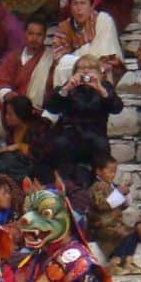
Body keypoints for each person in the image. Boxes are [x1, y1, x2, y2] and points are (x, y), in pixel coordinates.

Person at [46, 55, 123, 188]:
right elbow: (52, 108)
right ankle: (65, 185)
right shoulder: (69, 86)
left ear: (99, 72)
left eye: (91, 68)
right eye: (82, 68)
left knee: (100, 145)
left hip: (96, 132)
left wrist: (101, 90)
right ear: (75, 71)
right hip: (71, 131)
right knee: (60, 143)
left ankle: (101, 186)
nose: (86, 72)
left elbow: (117, 108)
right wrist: (66, 90)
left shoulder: (104, 86)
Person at [0, 15, 53, 124]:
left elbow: (51, 90)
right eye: (31, 34)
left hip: (38, 113)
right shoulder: (13, 56)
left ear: (44, 36)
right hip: (13, 108)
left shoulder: (50, 59)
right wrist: (11, 97)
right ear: (24, 34)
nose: (34, 38)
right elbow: (1, 83)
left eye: (39, 35)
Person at [49, 0, 122, 87]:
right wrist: (85, 58)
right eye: (75, 4)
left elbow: (106, 57)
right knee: (60, 69)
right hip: (74, 73)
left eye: (83, 3)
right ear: (70, 7)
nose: (79, 8)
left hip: (102, 72)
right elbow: (59, 57)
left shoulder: (103, 20)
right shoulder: (64, 27)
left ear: (92, 6)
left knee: (98, 69)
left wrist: (78, 55)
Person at [88, 154, 129, 261]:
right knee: (123, 234)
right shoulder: (98, 186)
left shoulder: (111, 186)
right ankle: (118, 261)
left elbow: (121, 206)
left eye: (114, 172)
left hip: (115, 223)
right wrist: (119, 194)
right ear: (98, 171)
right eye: (110, 172)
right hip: (102, 226)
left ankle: (125, 260)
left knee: (132, 233)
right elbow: (101, 205)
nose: (113, 175)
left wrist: (124, 195)